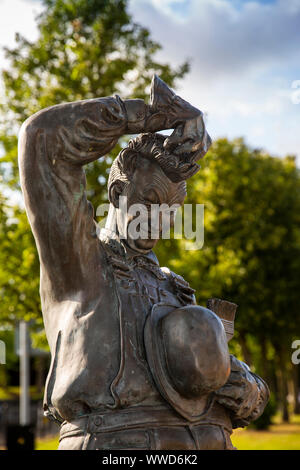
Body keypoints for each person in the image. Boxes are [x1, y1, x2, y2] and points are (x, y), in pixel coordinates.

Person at [19, 76, 269, 450]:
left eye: (172, 210)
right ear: (118, 191)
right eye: (150, 201)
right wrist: (151, 114)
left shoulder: (177, 287)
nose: (161, 219)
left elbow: (235, 384)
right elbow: (43, 140)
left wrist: (247, 388)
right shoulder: (80, 261)